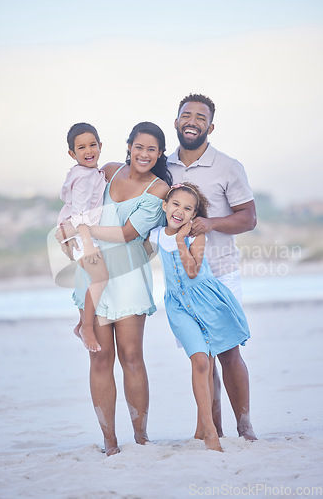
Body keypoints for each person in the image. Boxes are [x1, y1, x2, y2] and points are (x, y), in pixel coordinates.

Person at [56, 122, 171, 456]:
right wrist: (68, 231)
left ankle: (141, 436)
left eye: (151, 149)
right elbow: (76, 203)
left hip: (130, 276)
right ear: (128, 147)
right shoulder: (106, 170)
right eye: (139, 147)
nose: (144, 154)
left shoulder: (158, 188)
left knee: (132, 358)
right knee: (100, 359)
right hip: (92, 271)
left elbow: (128, 233)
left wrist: (86, 228)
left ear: (159, 153)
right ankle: (109, 441)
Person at [167, 93, 257, 441]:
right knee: (200, 355)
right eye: (186, 115)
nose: (192, 121)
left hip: (220, 271)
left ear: (210, 126)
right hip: (183, 279)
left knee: (228, 351)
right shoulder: (165, 166)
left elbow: (249, 218)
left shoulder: (229, 166)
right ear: (176, 122)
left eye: (200, 117)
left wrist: (211, 223)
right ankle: (212, 428)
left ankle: (245, 427)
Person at [145, 183, 251, 451]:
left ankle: (208, 430)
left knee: (216, 358)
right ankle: (208, 430)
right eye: (176, 204)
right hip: (179, 307)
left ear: (194, 215)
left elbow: (192, 272)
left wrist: (181, 240)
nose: (180, 211)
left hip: (207, 301)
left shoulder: (196, 237)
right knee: (200, 361)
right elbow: (135, 251)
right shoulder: (155, 235)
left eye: (188, 208)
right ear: (165, 206)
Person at [58, 122, 108, 353]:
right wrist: (87, 245)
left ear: (100, 146)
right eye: (81, 148)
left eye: (92, 145)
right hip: (81, 234)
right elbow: (79, 215)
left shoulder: (91, 173)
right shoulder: (83, 177)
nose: (88, 151)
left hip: (83, 233)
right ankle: (86, 326)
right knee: (101, 277)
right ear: (72, 153)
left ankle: (82, 324)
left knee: (99, 277)